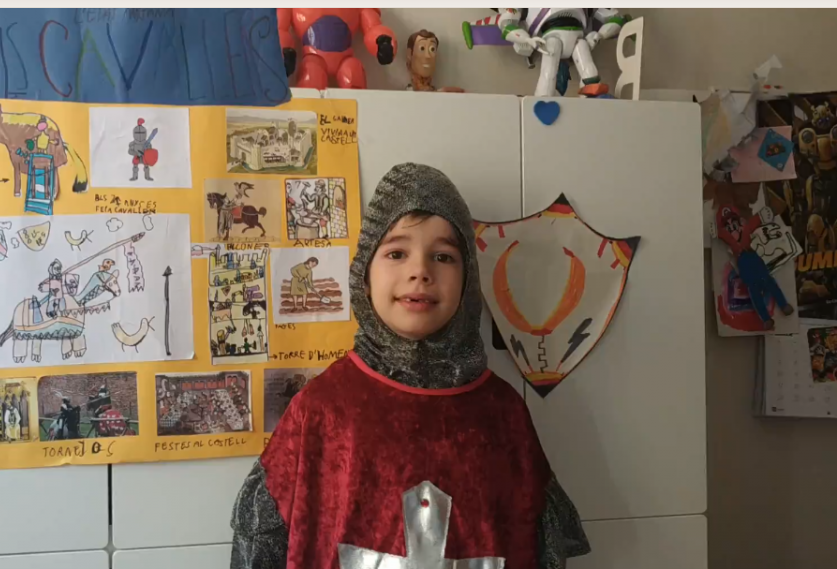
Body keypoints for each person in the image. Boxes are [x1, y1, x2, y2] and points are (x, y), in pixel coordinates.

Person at [230, 163, 589, 569]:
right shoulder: (321, 411)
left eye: (443, 256)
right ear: (365, 275)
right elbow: (260, 549)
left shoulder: (503, 415)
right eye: (397, 253)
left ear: (468, 280)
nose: (420, 271)